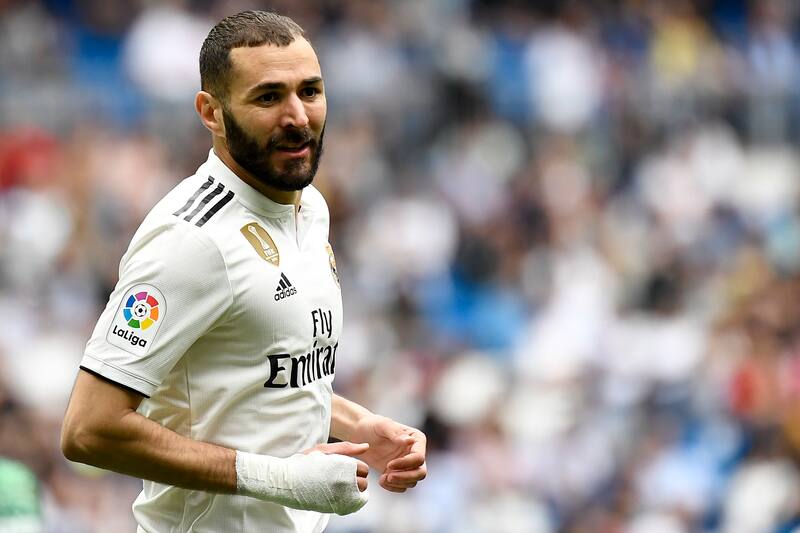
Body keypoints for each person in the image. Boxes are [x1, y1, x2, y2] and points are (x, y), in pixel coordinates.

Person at [60, 10, 427, 533]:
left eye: (311, 91)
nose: (298, 116)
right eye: (268, 97)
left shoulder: (309, 209)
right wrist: (278, 480)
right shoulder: (191, 241)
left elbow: (260, 375)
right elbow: (87, 430)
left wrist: (363, 426)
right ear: (211, 112)